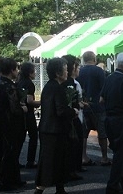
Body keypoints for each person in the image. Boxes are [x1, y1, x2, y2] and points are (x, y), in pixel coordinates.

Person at [34, 57, 78, 194]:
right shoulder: (58, 88)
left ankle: (60, 188)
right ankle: (40, 189)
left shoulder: (48, 86)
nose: (67, 72)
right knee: (52, 161)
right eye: (65, 70)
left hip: (47, 128)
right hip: (55, 130)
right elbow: (61, 110)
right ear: (58, 73)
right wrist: (73, 111)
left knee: (56, 160)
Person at [100, 52, 123, 194]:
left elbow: (101, 100)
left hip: (109, 118)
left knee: (118, 150)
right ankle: (113, 184)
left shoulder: (109, 78)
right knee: (121, 153)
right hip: (121, 118)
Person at [0, 57, 28, 191]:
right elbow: (14, 109)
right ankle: (6, 181)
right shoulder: (10, 86)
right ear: (11, 70)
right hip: (11, 124)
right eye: (16, 69)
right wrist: (23, 108)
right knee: (11, 152)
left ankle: (13, 179)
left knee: (8, 151)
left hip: (0, 122)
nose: (18, 71)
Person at [77, 51, 110, 166]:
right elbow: (104, 88)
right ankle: (104, 157)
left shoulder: (79, 71)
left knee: (84, 134)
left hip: (83, 105)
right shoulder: (99, 71)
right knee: (102, 133)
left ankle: (83, 156)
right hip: (98, 106)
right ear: (94, 59)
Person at [61, 55, 84, 181]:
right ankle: (72, 169)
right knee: (73, 143)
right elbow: (73, 102)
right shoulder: (70, 84)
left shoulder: (67, 83)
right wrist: (78, 106)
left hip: (71, 117)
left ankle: (73, 168)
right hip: (72, 118)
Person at [17, 62, 40, 169]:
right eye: (34, 71)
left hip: (20, 112)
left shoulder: (19, 82)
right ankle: (30, 160)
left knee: (20, 136)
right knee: (33, 136)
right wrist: (41, 102)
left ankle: (15, 159)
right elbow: (30, 101)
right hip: (29, 112)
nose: (35, 73)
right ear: (30, 73)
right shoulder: (29, 84)